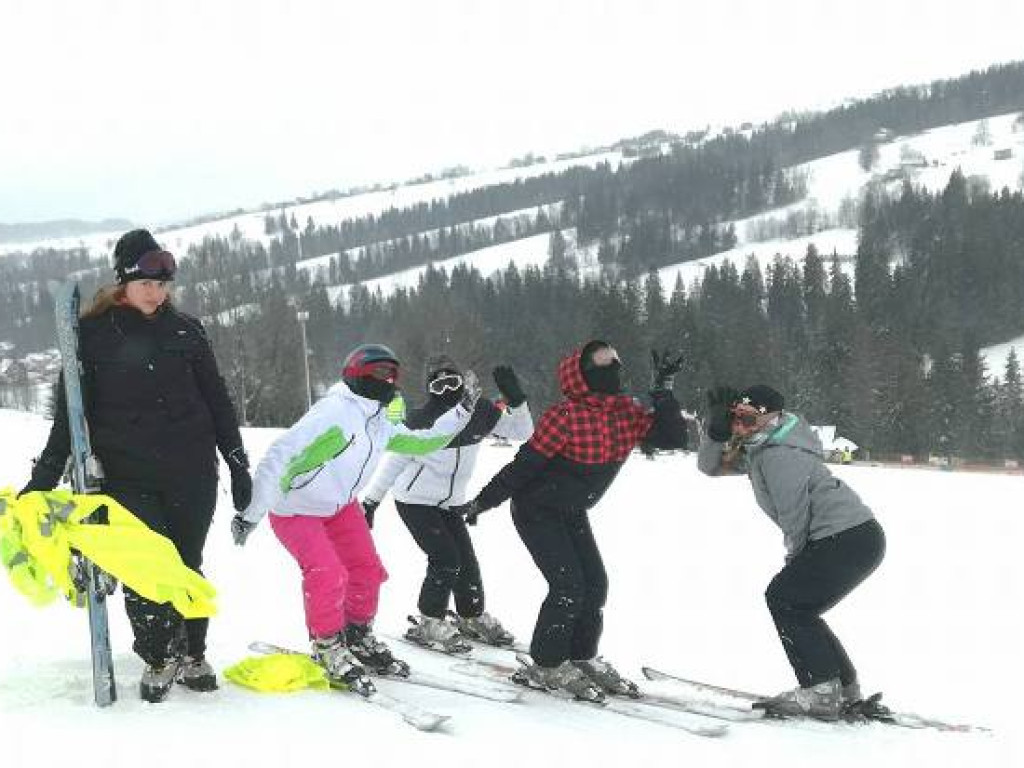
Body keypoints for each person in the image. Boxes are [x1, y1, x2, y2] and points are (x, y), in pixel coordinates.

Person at [19, 228, 252, 703]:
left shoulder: (187, 330)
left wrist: (237, 462)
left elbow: (217, 400)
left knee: (187, 563)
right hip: (126, 476)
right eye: (147, 283)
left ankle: (191, 652)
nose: (157, 292)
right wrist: (43, 478)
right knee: (147, 566)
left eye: (164, 284)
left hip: (191, 469)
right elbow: (70, 417)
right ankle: (158, 655)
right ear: (123, 281)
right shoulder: (89, 335)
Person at [230, 343, 480, 693]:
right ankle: (327, 645)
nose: (387, 379)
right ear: (356, 372)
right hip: (296, 508)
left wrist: (462, 412)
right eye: (379, 372)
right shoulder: (334, 412)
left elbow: (422, 443)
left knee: (367, 570)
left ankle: (357, 635)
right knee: (328, 572)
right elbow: (279, 454)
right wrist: (251, 512)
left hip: (340, 507)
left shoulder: (379, 421)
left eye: (393, 374)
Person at [450, 342, 687, 701]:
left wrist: (664, 392)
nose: (615, 370)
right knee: (568, 587)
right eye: (604, 365)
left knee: (595, 585)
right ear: (583, 376)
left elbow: (673, 437)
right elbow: (524, 466)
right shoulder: (565, 417)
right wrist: (484, 501)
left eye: (616, 363)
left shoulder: (627, 412)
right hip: (536, 511)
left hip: (571, 510)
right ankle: (546, 666)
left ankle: (581, 656)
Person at [697, 384, 885, 721]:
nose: (740, 427)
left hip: (847, 537)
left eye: (749, 419)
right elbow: (711, 467)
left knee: (787, 599)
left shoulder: (781, 453)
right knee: (799, 605)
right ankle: (840, 686)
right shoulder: (761, 445)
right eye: (735, 418)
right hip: (854, 537)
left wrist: (796, 561)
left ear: (773, 417)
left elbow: (795, 515)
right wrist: (714, 430)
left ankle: (822, 690)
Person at [361, 355, 534, 653]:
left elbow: (523, 433)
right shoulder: (420, 420)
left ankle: (471, 616)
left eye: (452, 383)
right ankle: (429, 620)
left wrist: (517, 401)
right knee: (445, 560)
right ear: (429, 389)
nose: (446, 391)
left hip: (451, 504)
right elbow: (394, 462)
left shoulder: (480, 412)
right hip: (414, 501)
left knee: (466, 562)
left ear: (462, 384)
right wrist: (371, 502)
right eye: (438, 386)